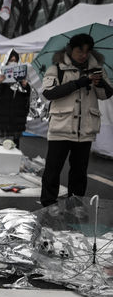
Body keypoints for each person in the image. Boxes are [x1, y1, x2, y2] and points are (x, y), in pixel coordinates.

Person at [40, 33, 113, 207]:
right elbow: (50, 93)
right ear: (71, 50)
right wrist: (79, 83)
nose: (84, 55)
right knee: (53, 169)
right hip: (61, 127)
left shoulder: (98, 70)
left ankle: (76, 205)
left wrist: (100, 83)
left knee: (79, 172)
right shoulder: (56, 69)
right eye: (80, 50)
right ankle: (48, 204)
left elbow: (107, 95)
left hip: (85, 129)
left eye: (87, 51)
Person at [0, 50, 31, 147]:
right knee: (0, 148)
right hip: (1, 120)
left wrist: (25, 86)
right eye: (11, 60)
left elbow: (28, 97)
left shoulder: (23, 78)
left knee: (15, 148)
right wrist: (0, 83)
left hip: (16, 121)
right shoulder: (0, 77)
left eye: (15, 60)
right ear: (6, 62)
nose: (13, 62)